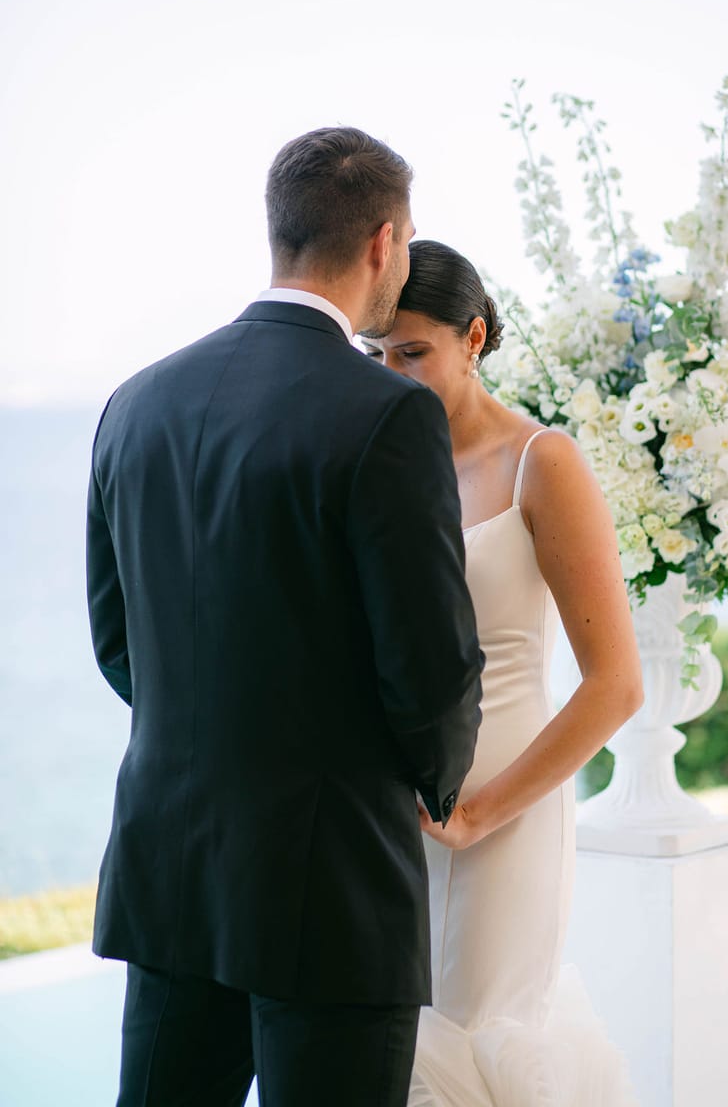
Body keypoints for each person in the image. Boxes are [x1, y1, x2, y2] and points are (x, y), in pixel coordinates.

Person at [86, 131, 484, 1107]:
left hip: (171, 868)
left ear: (282, 232)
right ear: (384, 242)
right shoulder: (386, 413)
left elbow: (115, 638)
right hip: (333, 879)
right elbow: (427, 668)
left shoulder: (134, 403)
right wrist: (434, 783)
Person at [361, 239, 644, 1106]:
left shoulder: (540, 460)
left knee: (484, 1033)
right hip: (392, 813)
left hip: (506, 806)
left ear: (474, 336)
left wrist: (480, 812)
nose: (393, 376)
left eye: (414, 353)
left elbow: (617, 684)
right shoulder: (374, 463)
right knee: (395, 1043)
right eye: (376, 357)